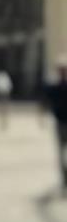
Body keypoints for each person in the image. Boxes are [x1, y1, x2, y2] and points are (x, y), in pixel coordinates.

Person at [41, 56, 67, 195]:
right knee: (61, 153)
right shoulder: (54, 86)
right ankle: (64, 178)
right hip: (60, 122)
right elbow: (46, 100)